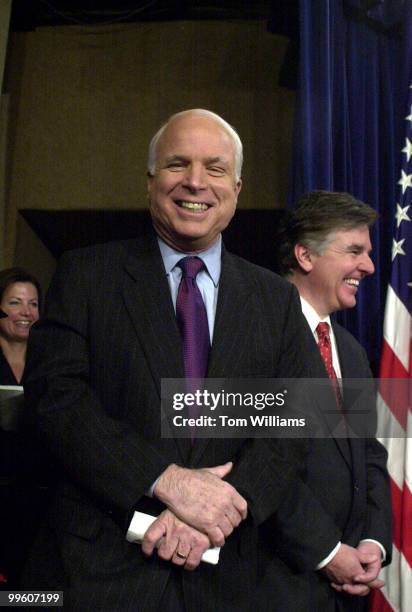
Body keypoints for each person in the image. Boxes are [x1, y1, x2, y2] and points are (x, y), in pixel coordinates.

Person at [23, 109, 311, 611]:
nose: (195, 181)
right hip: (99, 571)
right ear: (151, 180)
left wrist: (218, 512)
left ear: (237, 187)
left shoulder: (276, 299)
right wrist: (165, 480)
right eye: (178, 163)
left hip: (223, 574)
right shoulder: (86, 275)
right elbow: (57, 399)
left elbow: (296, 416)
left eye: (215, 168)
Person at [272, 190, 392, 611]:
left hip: (346, 591)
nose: (369, 266)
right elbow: (259, 461)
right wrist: (327, 552)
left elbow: (369, 457)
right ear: (306, 256)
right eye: (354, 251)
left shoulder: (350, 350)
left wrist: (372, 541)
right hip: (280, 584)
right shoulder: (261, 336)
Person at [0, 268, 41, 588]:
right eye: (15, 302)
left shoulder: (51, 359)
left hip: (36, 491)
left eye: (33, 304)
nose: (26, 312)